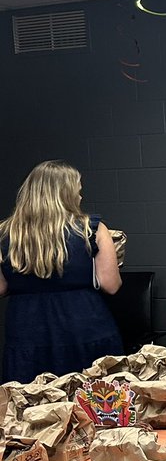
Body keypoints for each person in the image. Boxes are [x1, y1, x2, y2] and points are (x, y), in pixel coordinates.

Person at [0, 160, 122, 382]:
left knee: (31, 403)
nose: (80, 196)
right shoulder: (92, 228)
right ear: (65, 193)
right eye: (78, 190)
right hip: (84, 324)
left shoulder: (5, 233)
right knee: (94, 402)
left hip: (27, 329)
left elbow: (1, 287)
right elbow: (111, 285)